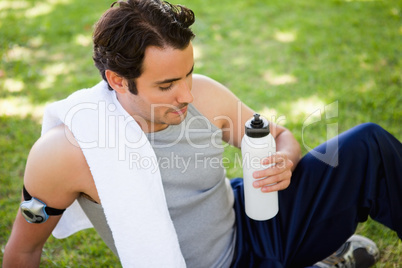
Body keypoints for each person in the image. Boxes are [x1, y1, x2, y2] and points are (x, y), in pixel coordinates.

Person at [2, 0, 401, 267]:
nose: (188, 95)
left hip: (249, 215)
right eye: (167, 85)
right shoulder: (66, 154)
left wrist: (285, 158)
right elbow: (24, 248)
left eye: (189, 73)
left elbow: (279, 136)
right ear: (118, 81)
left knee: (369, 146)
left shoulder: (204, 95)